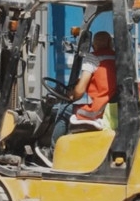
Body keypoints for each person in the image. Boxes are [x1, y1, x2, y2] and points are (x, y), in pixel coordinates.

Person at [40, 31, 117, 166]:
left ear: (93, 45)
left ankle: (53, 153)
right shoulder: (117, 58)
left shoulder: (93, 58)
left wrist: (72, 95)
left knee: (63, 109)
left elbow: (80, 91)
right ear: (110, 43)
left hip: (97, 110)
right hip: (111, 110)